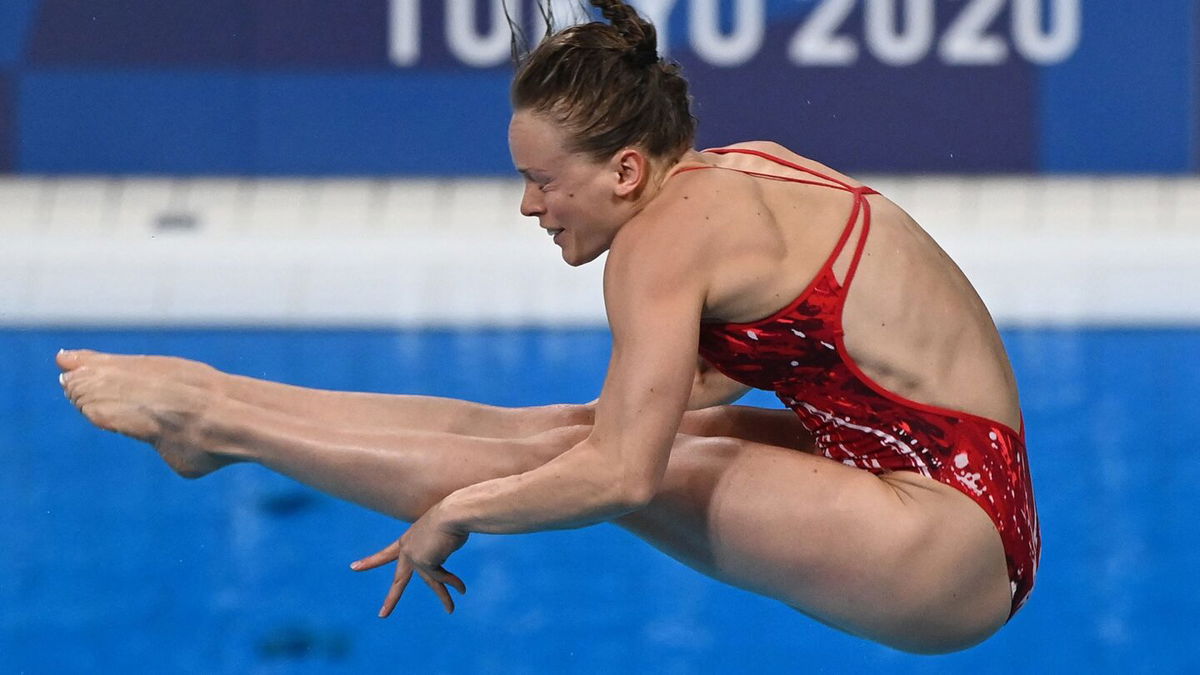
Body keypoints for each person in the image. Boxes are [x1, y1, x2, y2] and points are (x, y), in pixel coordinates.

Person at [56, 0, 1038, 654]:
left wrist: (456, 512)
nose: (531, 207)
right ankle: (219, 411)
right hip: (939, 488)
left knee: (596, 460)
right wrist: (571, 446)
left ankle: (221, 424)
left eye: (542, 181)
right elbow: (787, 361)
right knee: (563, 435)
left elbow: (626, 476)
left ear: (622, 170)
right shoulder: (742, 172)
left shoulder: (667, 237)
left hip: (945, 544)